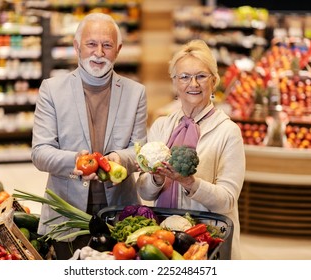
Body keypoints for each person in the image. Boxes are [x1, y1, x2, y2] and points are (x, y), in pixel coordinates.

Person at [31, 12, 147, 259]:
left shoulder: (136, 93)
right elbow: (40, 152)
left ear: (118, 50)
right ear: (76, 47)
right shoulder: (51, 90)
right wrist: (76, 162)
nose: (99, 52)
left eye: (107, 45)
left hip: (120, 215)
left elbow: (140, 150)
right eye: (91, 44)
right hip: (66, 214)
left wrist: (119, 158)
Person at [135, 40, 245, 260]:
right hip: (165, 237)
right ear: (175, 83)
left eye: (201, 76)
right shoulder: (161, 126)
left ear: (214, 81)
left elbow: (227, 200)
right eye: (184, 77)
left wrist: (189, 182)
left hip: (208, 240)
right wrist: (155, 178)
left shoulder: (228, 132)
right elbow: (145, 193)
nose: (192, 84)